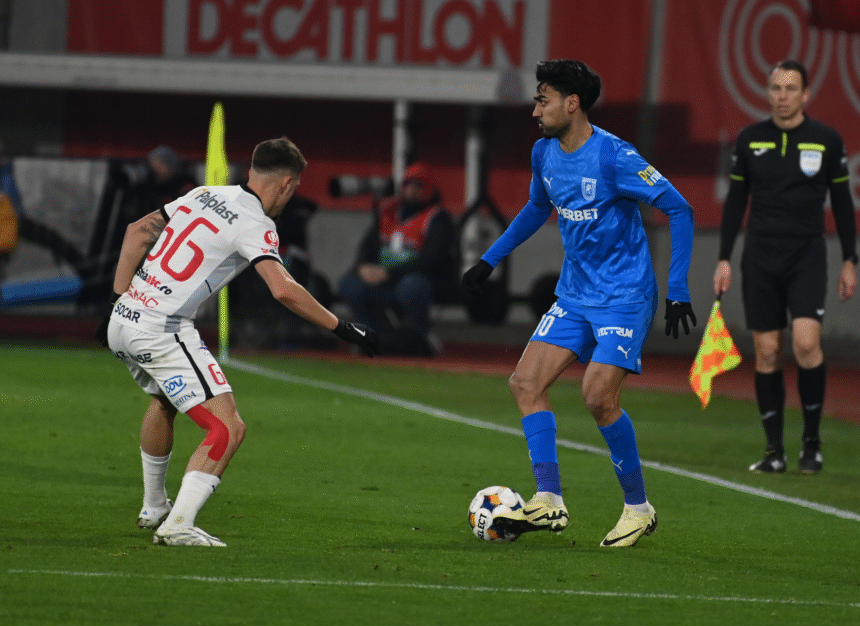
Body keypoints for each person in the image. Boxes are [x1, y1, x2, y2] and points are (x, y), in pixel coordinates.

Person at [95, 136, 379, 547]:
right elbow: (283, 290)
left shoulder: (206, 192)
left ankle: (154, 507)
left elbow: (138, 230)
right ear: (285, 184)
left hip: (125, 316)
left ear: (250, 171)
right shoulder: (256, 224)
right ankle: (178, 525)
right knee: (228, 428)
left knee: (163, 401)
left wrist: (117, 299)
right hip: (162, 327)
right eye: (295, 187)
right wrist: (342, 327)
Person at [462, 59, 696, 547]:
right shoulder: (544, 153)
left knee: (596, 396)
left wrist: (677, 288)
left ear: (572, 104)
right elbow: (536, 207)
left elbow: (679, 207)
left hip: (624, 296)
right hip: (575, 294)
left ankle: (638, 507)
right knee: (525, 383)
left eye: (542, 100)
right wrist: (489, 259)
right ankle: (549, 501)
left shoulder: (615, 156)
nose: (535, 111)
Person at [713, 60, 857, 475]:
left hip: (806, 255)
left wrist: (850, 259)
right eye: (776, 88)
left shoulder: (826, 140)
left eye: (791, 88)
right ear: (768, 92)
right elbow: (736, 202)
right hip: (759, 256)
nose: (782, 96)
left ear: (806, 94)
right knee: (767, 350)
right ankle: (774, 450)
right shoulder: (750, 139)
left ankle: (811, 442)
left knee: (806, 343)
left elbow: (843, 204)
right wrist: (724, 257)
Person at [338, 161, 457, 356]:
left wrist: (389, 272)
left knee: (412, 286)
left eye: (418, 186)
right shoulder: (387, 214)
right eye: (408, 185)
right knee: (349, 284)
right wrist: (362, 268)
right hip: (383, 281)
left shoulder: (437, 218)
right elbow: (367, 249)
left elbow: (432, 259)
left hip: (419, 282)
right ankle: (370, 336)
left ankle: (422, 335)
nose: (411, 191)